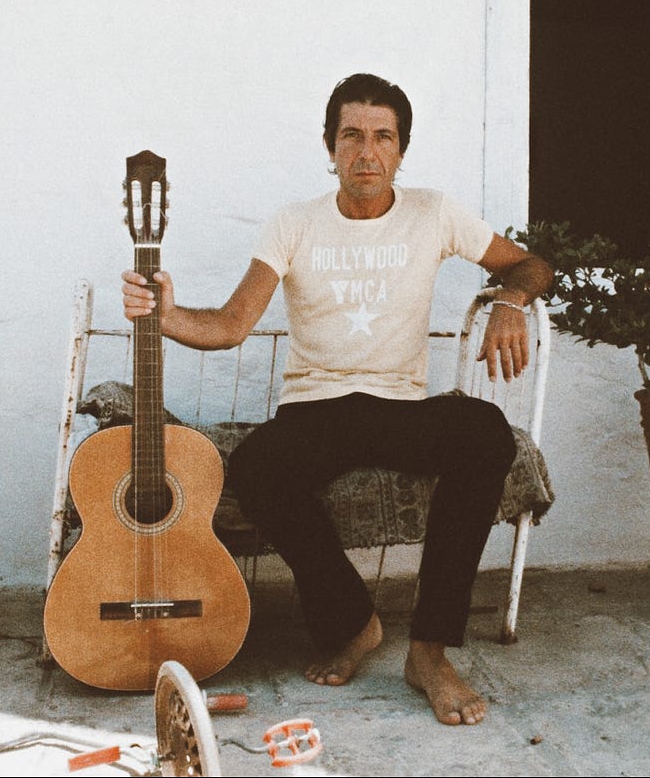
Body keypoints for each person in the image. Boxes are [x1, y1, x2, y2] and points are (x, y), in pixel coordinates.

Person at [121, 73, 553, 726]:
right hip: (316, 408)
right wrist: (165, 312)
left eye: (383, 137)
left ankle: (430, 652)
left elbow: (532, 264)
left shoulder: (434, 212)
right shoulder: (294, 224)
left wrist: (510, 301)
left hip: (398, 407)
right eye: (352, 135)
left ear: (401, 150)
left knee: (484, 431)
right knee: (257, 466)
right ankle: (354, 622)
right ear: (330, 146)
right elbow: (234, 323)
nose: (367, 152)